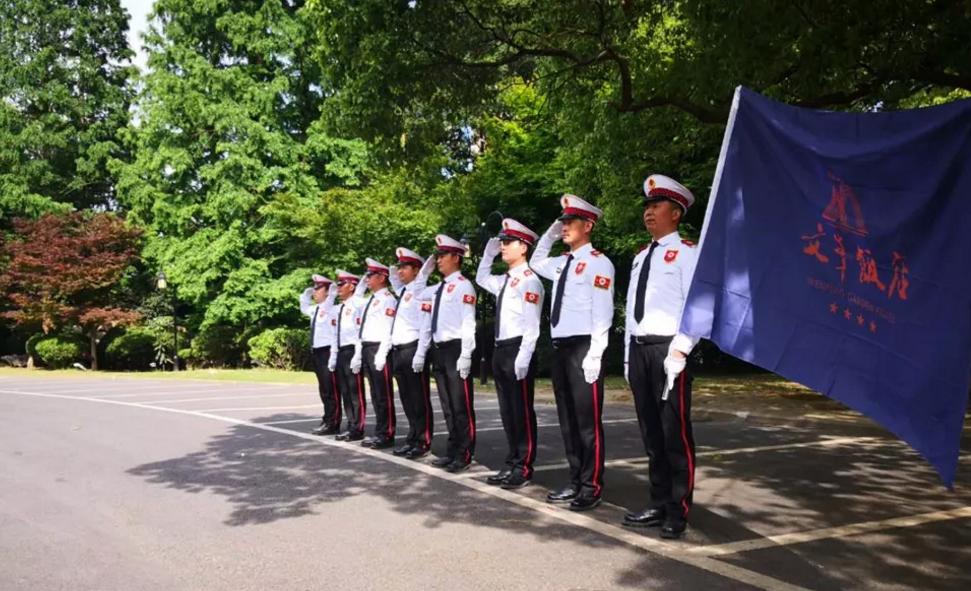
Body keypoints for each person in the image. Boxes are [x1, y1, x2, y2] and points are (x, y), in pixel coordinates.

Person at [621, 174, 700, 539]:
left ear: (676, 213)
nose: (649, 212)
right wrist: (627, 357)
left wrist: (681, 349)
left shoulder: (686, 252)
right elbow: (631, 311)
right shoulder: (640, 257)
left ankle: (677, 509)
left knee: (674, 434)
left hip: (669, 351)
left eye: (657, 205)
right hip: (640, 350)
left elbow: (697, 306)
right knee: (651, 434)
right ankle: (657, 501)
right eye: (647, 207)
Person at [531, 194, 615, 511]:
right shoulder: (561, 263)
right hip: (561, 348)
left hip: (583, 347)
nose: (564, 227)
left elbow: (603, 312)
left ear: (588, 225)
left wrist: (596, 352)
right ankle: (576, 478)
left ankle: (591, 485)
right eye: (562, 222)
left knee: (587, 422)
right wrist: (550, 234)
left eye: (570, 222)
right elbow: (536, 261)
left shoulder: (598, 262)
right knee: (567, 420)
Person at [475, 219, 544, 489]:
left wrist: (524, 356)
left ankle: (523, 466)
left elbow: (532, 324)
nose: (502, 246)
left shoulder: (529, 281)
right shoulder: (505, 280)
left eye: (507, 242)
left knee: (521, 410)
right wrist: (487, 255)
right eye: (501, 242)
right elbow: (481, 278)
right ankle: (513, 460)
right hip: (501, 348)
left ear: (523, 247)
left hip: (518, 348)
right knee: (507, 411)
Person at [417, 234, 477, 473]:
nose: (438, 260)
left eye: (442, 256)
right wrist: (424, 271)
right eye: (437, 256)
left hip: (456, 348)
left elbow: (468, 321)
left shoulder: (463, 285)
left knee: (461, 405)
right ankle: (452, 450)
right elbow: (417, 291)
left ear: (456, 257)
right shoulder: (437, 289)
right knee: (448, 405)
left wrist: (467, 353)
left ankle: (464, 453)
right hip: (439, 349)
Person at [388, 248, 437, 459]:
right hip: (399, 350)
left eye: (405, 267)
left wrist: (421, 352)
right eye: (399, 267)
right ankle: (412, 437)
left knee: (419, 398)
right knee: (407, 399)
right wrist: (393, 272)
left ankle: (423, 441)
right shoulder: (403, 292)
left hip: (413, 348)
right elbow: (394, 280)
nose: (399, 271)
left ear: (417, 270)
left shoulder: (420, 291)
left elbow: (425, 323)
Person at [353, 258, 400, 449]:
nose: (367, 279)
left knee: (383, 395)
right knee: (375, 393)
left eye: (371, 275)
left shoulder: (388, 299)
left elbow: (389, 328)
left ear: (382, 277)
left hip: (379, 348)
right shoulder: (371, 300)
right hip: (367, 347)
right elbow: (354, 303)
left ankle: (387, 433)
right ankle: (380, 431)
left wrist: (382, 353)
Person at [328, 270, 368, 442]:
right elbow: (334, 332)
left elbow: (360, 332)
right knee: (345, 392)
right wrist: (334, 354)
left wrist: (358, 354)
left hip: (353, 349)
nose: (338, 288)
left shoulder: (357, 305)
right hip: (342, 350)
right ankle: (351, 424)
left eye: (342, 284)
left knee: (355, 392)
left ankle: (358, 427)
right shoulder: (341, 307)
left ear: (352, 286)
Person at [299, 274, 340, 435]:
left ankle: (333, 422)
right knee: (323, 389)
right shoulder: (315, 309)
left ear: (328, 291)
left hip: (327, 351)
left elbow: (335, 333)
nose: (315, 292)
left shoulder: (331, 309)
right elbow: (304, 308)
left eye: (318, 289)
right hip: (316, 351)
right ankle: (327, 418)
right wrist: (305, 296)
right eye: (314, 289)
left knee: (331, 389)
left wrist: (331, 296)